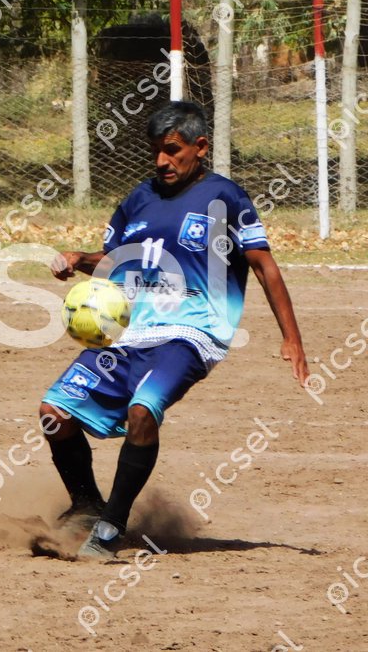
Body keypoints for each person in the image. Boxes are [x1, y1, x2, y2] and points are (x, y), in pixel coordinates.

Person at [41, 101, 308, 558]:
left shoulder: (225, 198)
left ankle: (109, 529)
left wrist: (292, 338)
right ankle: (86, 504)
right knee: (54, 412)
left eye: (172, 150)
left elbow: (264, 265)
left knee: (143, 410)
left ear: (200, 147)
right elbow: (116, 261)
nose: (162, 161)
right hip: (132, 333)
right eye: (156, 152)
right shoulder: (138, 199)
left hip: (192, 332)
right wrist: (79, 260)